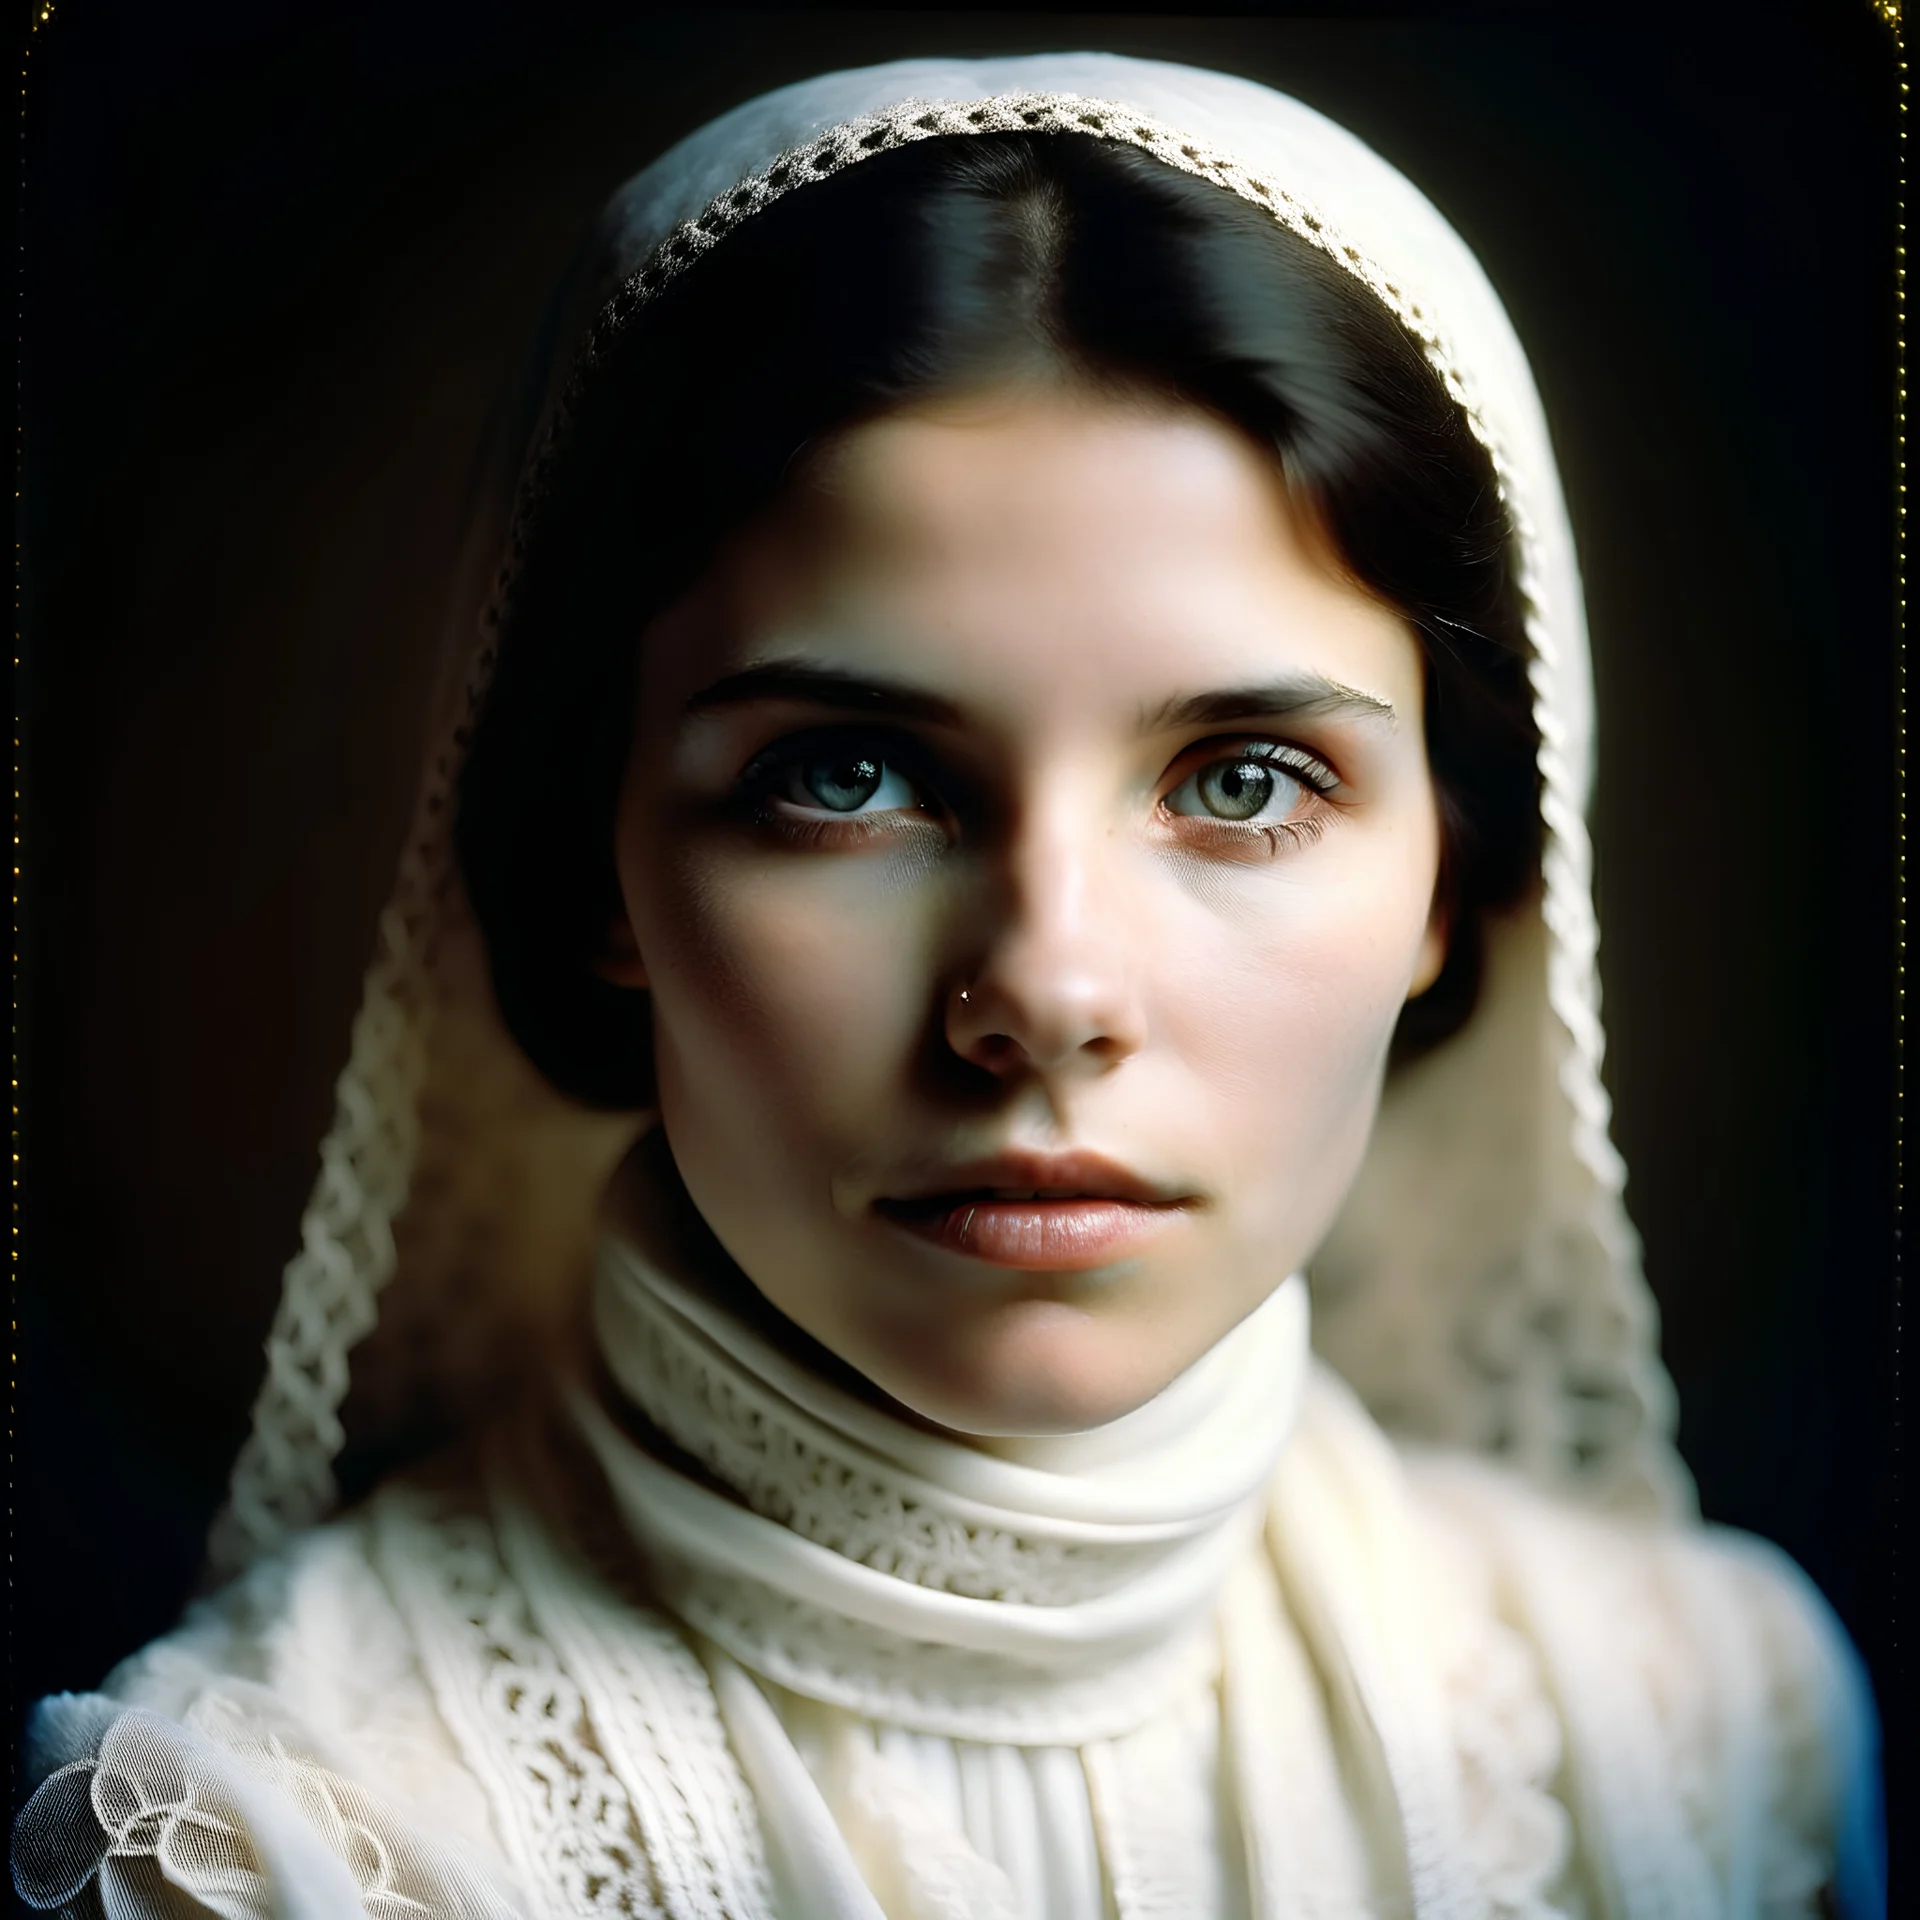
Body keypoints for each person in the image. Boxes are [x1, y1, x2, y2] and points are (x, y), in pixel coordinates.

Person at [11, 51, 1884, 1920]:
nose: (1047, 990)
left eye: (1244, 782)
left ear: (1450, 886)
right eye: (846, 775)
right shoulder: (274, 1837)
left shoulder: (1711, 1731)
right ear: (599, 869)